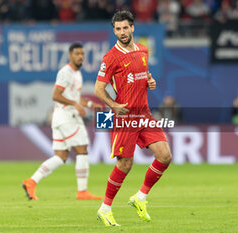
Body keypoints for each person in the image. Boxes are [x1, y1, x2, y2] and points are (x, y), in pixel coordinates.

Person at [94, 10, 172, 226]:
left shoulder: (143, 50)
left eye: (125, 28)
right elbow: (99, 89)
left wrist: (150, 81)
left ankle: (140, 197)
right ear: (114, 31)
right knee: (125, 164)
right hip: (126, 117)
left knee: (165, 156)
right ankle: (105, 208)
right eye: (118, 29)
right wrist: (114, 105)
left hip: (144, 114)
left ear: (132, 28)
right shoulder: (111, 57)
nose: (122, 32)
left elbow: (142, 75)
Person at [22, 43, 102, 201]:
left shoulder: (77, 74)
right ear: (70, 56)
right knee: (82, 149)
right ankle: (82, 191)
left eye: (82, 54)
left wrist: (91, 105)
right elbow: (56, 95)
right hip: (67, 117)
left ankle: (31, 181)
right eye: (77, 53)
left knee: (61, 156)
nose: (80, 56)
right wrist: (75, 105)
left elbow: (74, 97)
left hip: (61, 118)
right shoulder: (66, 72)